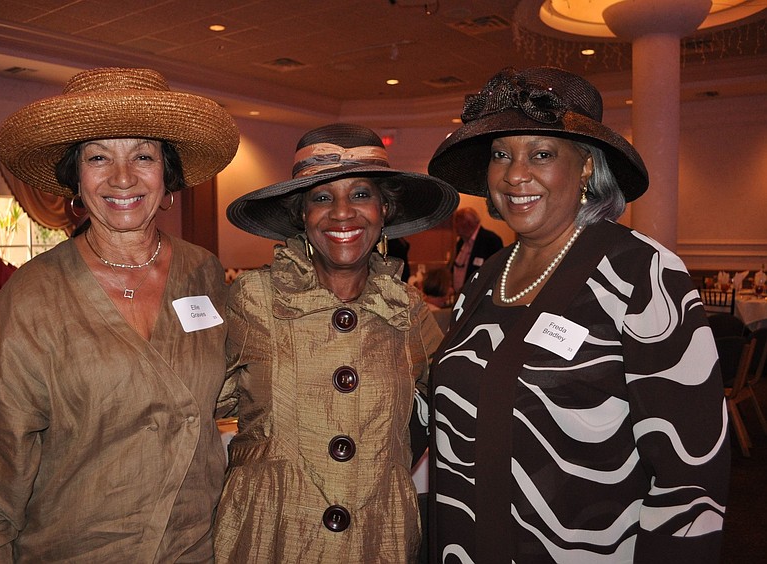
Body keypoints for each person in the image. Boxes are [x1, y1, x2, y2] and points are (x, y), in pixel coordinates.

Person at [426, 67, 729, 562]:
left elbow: (690, 476)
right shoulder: (489, 274)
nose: (514, 174)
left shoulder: (643, 274)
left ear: (586, 166)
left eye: (541, 154)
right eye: (501, 153)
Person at [0, 67, 240, 561]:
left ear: (167, 174)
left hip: (197, 547)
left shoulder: (205, 273)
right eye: (99, 157)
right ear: (75, 179)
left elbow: (232, 392)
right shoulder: (30, 300)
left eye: (143, 156)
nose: (122, 178)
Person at [216, 123, 459, 562]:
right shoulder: (253, 298)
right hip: (271, 533)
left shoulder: (407, 308)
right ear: (301, 215)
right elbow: (202, 401)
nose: (342, 213)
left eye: (361, 194)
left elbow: (450, 406)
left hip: (376, 537)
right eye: (322, 197)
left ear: (385, 210)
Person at [451, 206, 503, 294]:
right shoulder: (461, 242)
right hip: (460, 296)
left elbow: (496, 272)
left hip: (479, 296)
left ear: (468, 224)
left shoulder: (490, 240)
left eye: (457, 222)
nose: (455, 227)